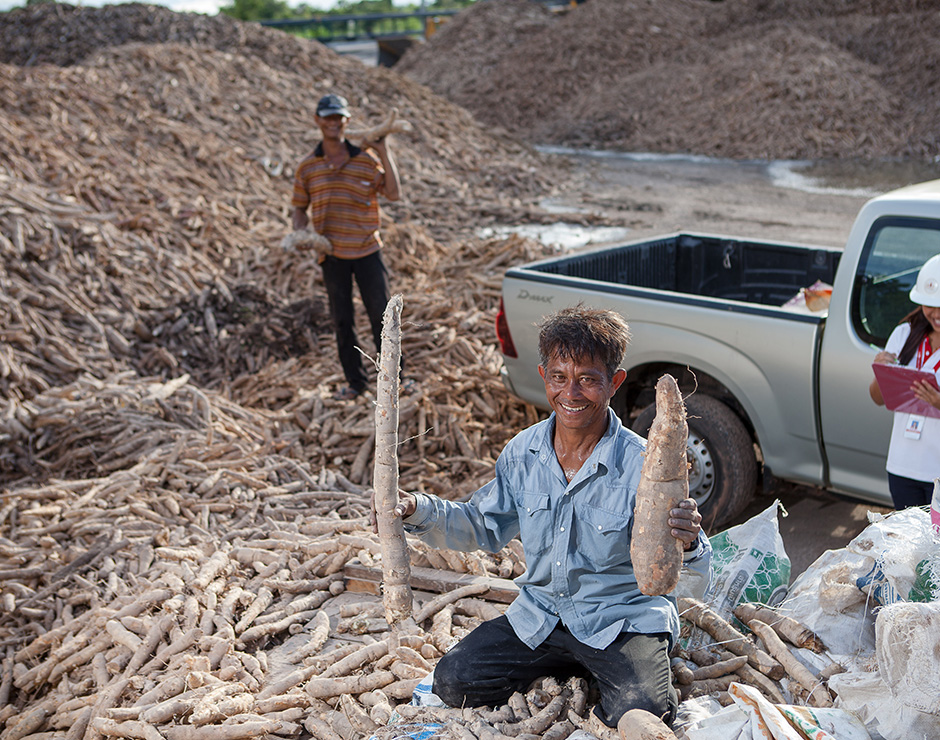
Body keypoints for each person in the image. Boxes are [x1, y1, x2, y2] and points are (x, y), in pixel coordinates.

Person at [384, 306, 710, 728]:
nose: (570, 393)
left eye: (588, 380)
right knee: (453, 682)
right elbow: (481, 524)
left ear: (614, 382)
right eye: (560, 377)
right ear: (544, 376)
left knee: (644, 708)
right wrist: (416, 509)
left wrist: (687, 541)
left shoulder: (646, 466)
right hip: (542, 617)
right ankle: (578, 670)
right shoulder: (523, 453)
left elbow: (691, 577)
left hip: (619, 621)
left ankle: (604, 671)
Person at [290, 93, 402, 401]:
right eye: (327, 118)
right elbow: (299, 207)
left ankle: (394, 381)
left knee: (383, 317)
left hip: (367, 251)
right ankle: (356, 383)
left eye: (338, 118)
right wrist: (300, 234)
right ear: (317, 121)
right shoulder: (308, 167)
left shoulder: (366, 161)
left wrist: (384, 149)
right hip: (332, 254)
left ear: (346, 122)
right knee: (342, 320)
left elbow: (393, 193)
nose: (333, 123)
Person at [870, 253, 940, 509]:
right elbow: (878, 398)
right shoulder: (903, 335)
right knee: (910, 545)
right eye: (930, 304)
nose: (936, 313)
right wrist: (880, 371)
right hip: (902, 467)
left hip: (938, 472)